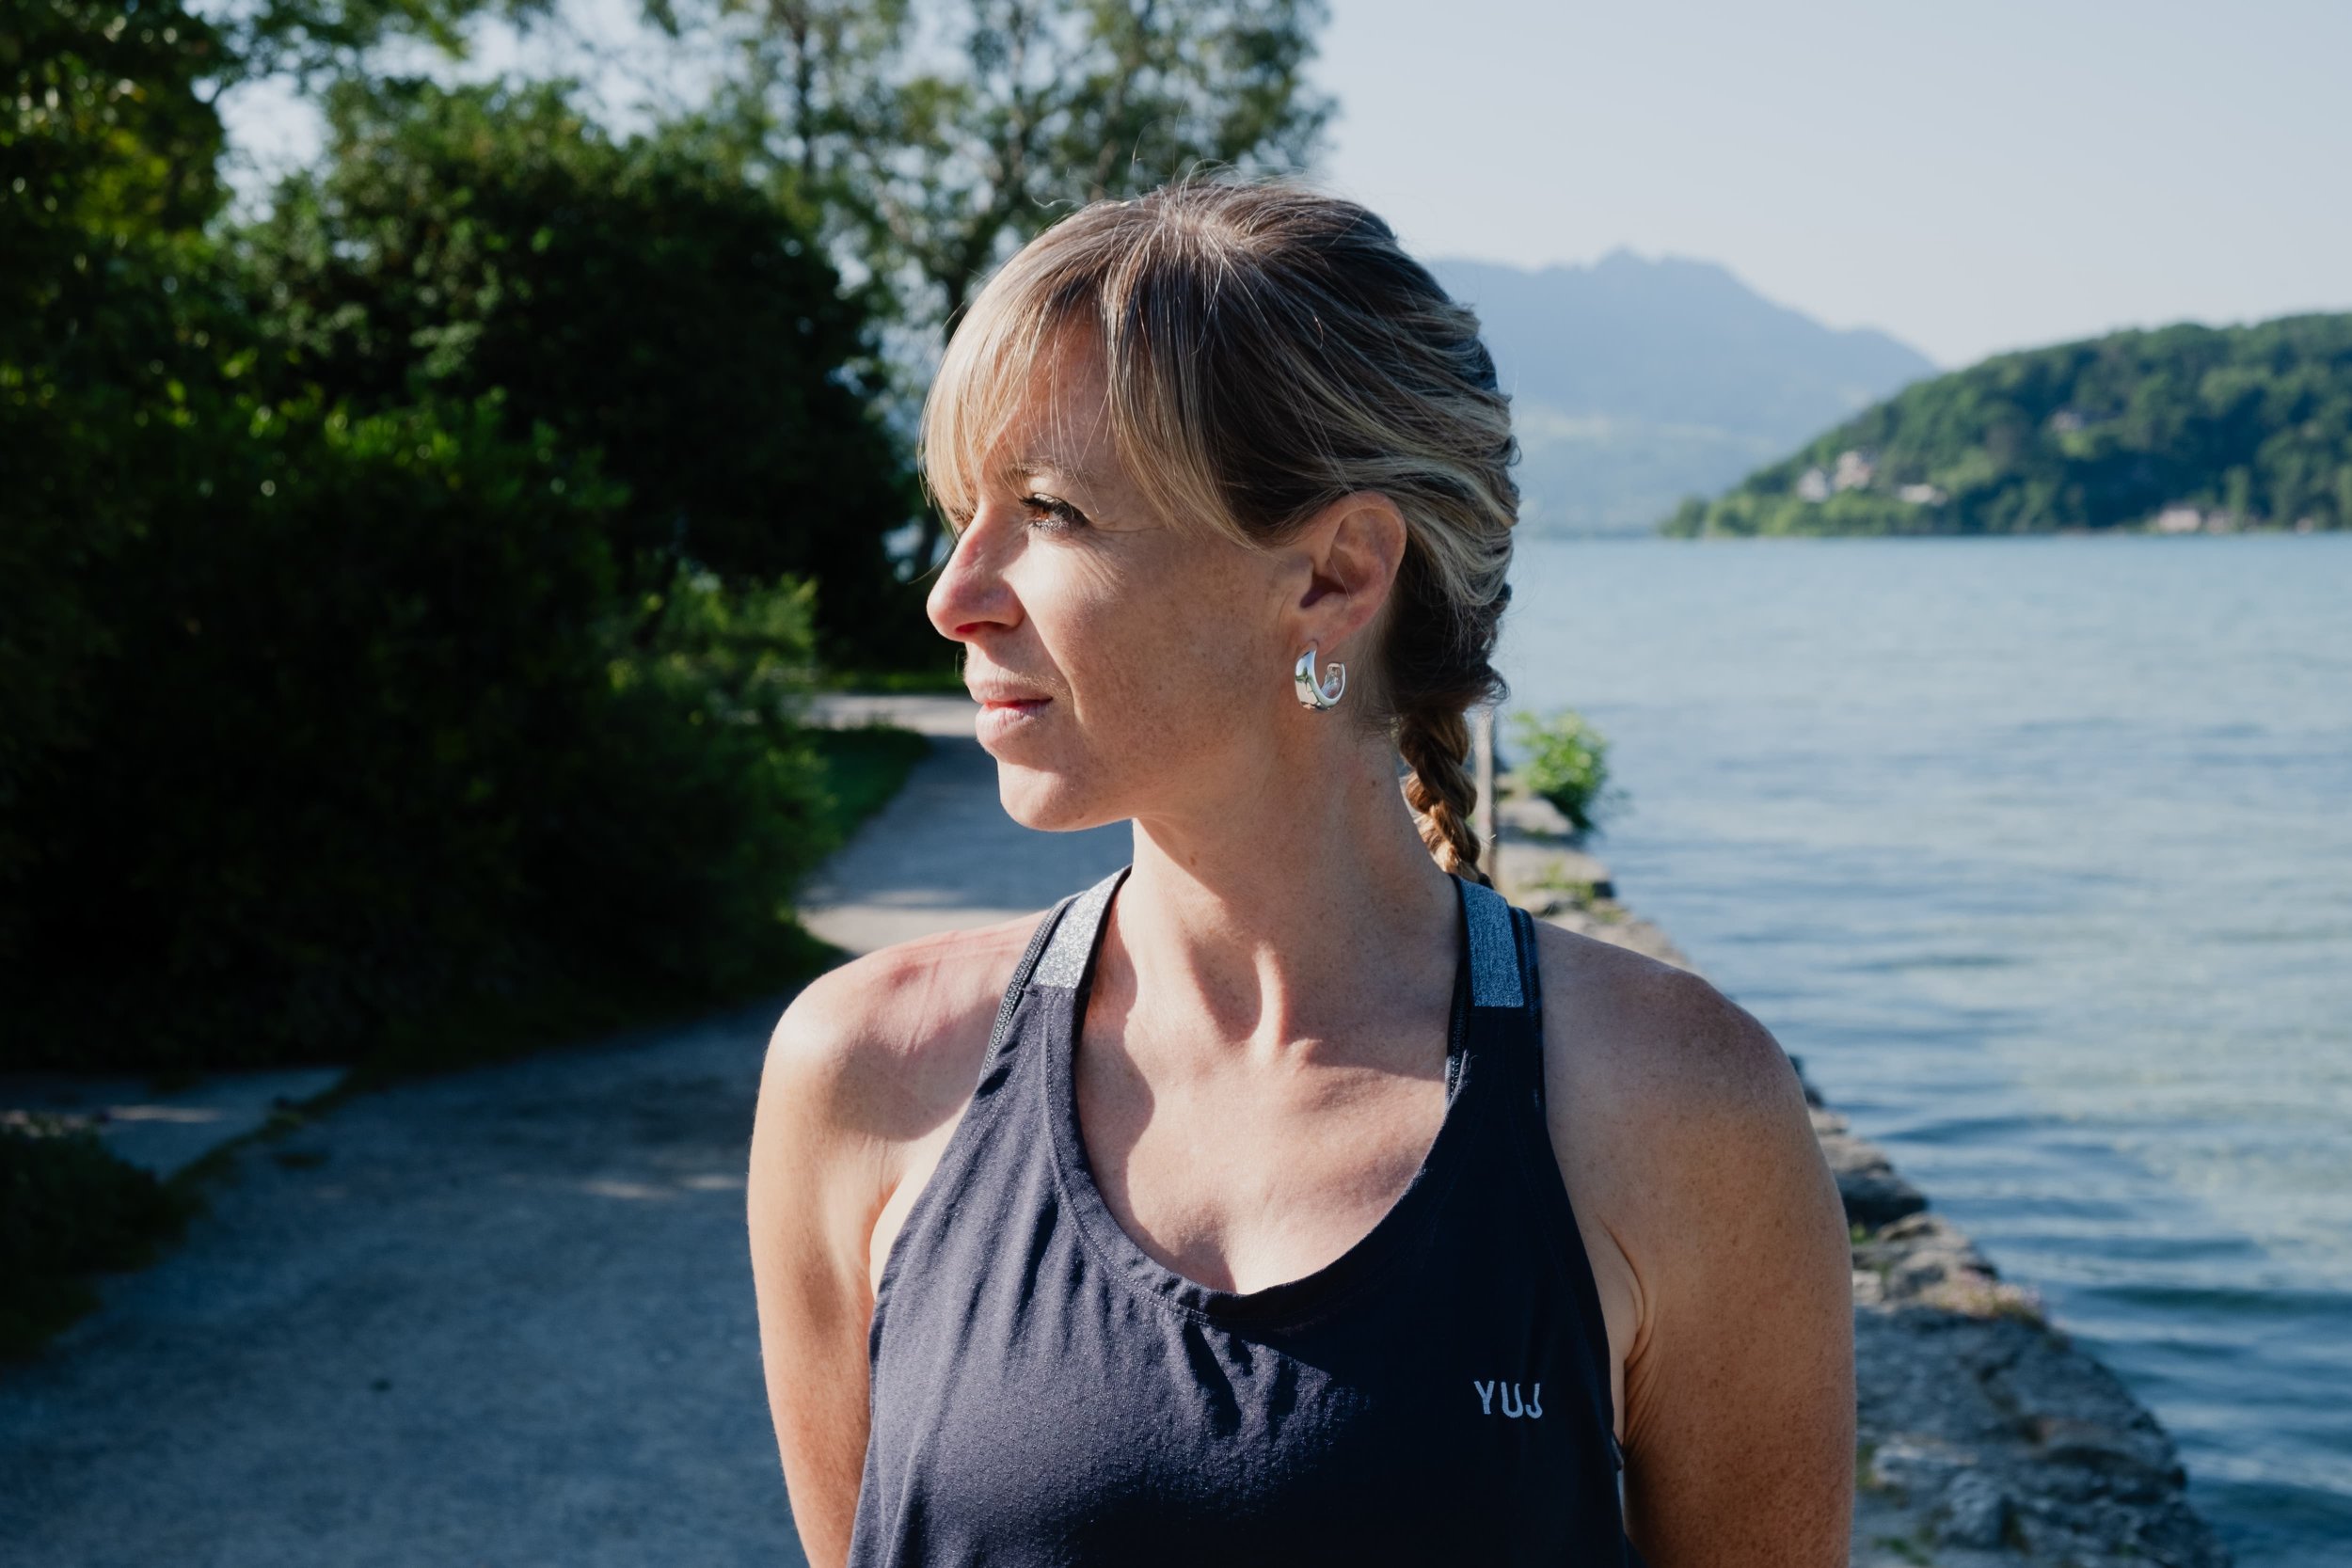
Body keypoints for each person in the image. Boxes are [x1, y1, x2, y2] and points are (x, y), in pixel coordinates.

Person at [747, 179, 1854, 1567]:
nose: (953, 595)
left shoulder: (1676, 1107)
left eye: (1050, 510)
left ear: (1335, 575)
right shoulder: (867, 1076)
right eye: (964, 510)